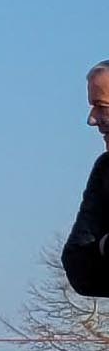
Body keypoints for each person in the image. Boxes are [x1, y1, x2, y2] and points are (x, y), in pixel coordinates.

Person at [67, 59, 109, 299]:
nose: (92, 119)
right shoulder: (105, 171)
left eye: (101, 106)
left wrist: (102, 246)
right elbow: (78, 265)